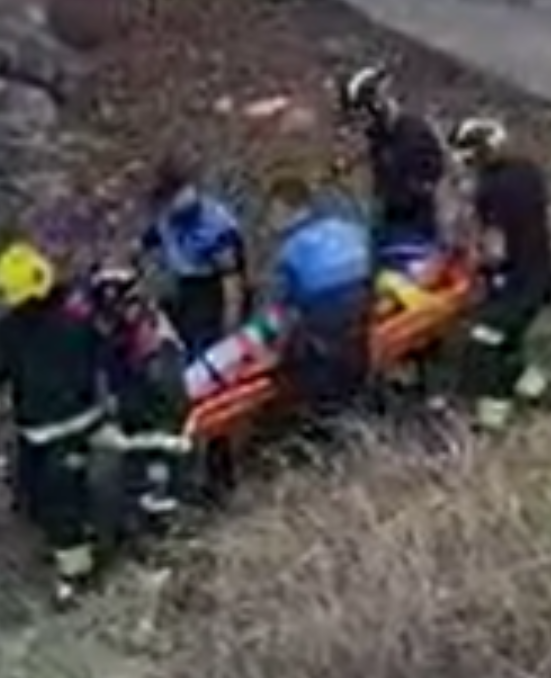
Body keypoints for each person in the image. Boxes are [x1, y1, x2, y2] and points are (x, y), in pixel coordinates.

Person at [0, 240, 109, 606]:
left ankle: (75, 578)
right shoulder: (14, 328)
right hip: (36, 430)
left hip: (76, 426)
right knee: (30, 495)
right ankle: (74, 542)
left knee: (63, 501)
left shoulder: (75, 317)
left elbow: (108, 358)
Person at [449, 117, 551, 432]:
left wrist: (476, 263)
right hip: (540, 273)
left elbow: (496, 249)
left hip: (516, 284)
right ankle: (542, 394)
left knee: (483, 344)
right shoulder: (528, 172)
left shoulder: (491, 191)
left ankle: (492, 422)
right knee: (507, 341)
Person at [85, 265, 194, 537]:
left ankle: (165, 529)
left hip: (158, 418)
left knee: (159, 474)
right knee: (137, 473)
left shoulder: (156, 347)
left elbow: (170, 405)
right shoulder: (117, 335)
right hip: (136, 416)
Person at [265, 176, 377, 425]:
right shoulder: (345, 227)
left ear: (286, 210)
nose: (270, 221)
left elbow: (284, 312)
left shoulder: (291, 249)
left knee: (304, 366)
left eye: (273, 212)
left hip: (327, 313)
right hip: (363, 303)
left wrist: (276, 353)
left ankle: (319, 420)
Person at [138, 156, 251, 356]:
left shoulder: (215, 224)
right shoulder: (167, 219)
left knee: (206, 346)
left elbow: (231, 277)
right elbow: (145, 243)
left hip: (213, 291)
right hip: (185, 290)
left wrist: (230, 322)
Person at [338, 65, 450, 254]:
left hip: (413, 231)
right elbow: (374, 155)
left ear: (377, 106)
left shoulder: (414, 135)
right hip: (387, 223)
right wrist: (348, 165)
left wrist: (407, 191)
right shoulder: (380, 135)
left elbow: (432, 178)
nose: (361, 125)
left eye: (363, 116)